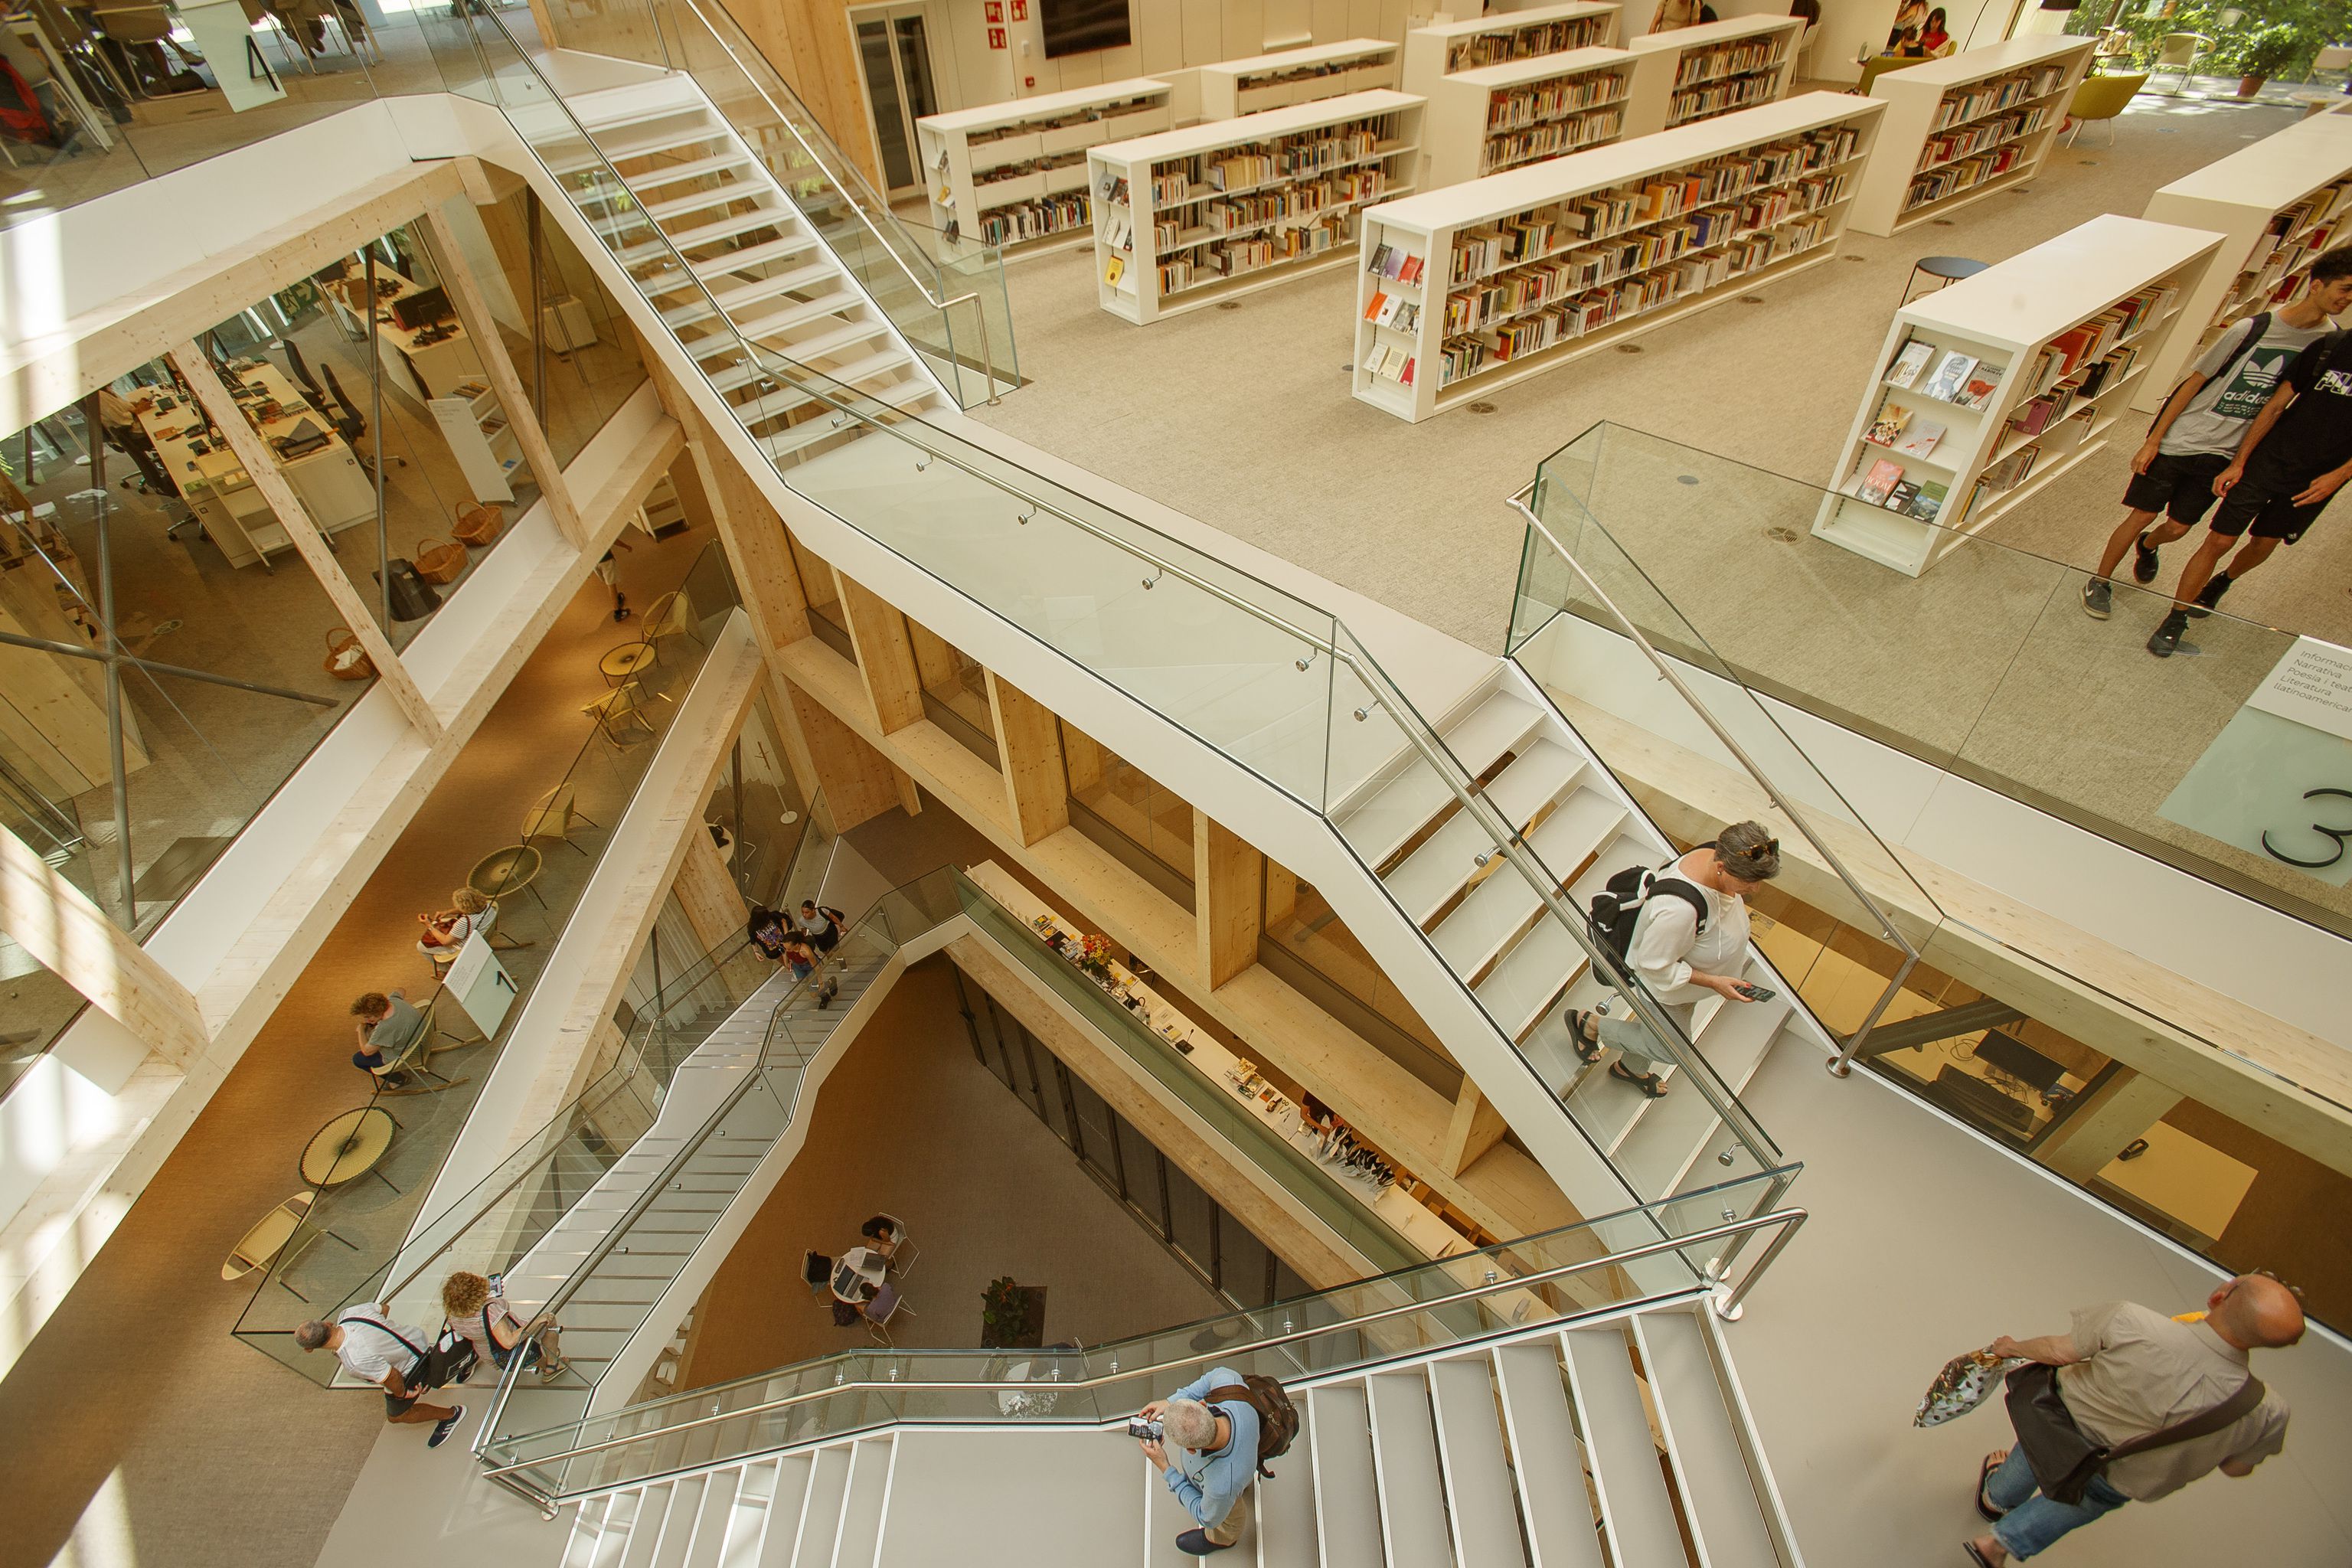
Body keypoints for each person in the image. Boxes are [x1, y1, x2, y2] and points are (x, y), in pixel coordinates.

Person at [2085, 248, 2352, 624]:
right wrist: (2153, 439)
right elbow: (2193, 383)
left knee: (2178, 528)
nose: (2348, 298)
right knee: (2141, 513)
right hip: (2184, 438)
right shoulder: (2252, 328)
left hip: (2228, 453)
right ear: (2317, 284)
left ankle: (2148, 547)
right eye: (2345, 288)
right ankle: (2099, 580)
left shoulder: (2330, 342)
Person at [1963, 1273, 2302, 1565]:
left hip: (2061, 1425)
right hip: (2123, 1474)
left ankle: (1997, 1497)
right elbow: (2236, 1468)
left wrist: (2013, 1347)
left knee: (2034, 1454)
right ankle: (1999, 1545)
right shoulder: (2266, 1411)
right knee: (2084, 1502)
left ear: (2219, 1295)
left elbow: (2059, 1351)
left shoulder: (2132, 1321)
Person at [2149, 319, 2352, 657]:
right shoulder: (2330, 346)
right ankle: (2175, 618)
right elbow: (2274, 407)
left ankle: (2223, 581)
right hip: (2269, 460)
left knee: (2263, 544)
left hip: (2318, 479)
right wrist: (2240, 461)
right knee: (2220, 539)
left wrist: (2340, 476)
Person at [1563, 822, 1782, 1098]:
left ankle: (1631, 1069)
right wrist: (1713, 982)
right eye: (1749, 882)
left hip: (1690, 981)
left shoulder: (1717, 852)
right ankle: (1590, 1025)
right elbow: (1654, 965)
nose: (1755, 889)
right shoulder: (1679, 912)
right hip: (1666, 988)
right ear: (1722, 867)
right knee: (1671, 1048)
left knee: (1660, 1028)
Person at [295, 1305, 466, 1448]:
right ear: (327, 1323)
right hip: (417, 1339)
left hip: (414, 1365)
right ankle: (461, 1364)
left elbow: (391, 1376)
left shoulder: (354, 1362)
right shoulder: (349, 1314)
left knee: (396, 1416)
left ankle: (451, 1415)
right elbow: (384, 1308)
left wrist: (403, 1393)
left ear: (309, 1350)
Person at [1139, 1368, 1261, 1556]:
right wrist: (1169, 1402)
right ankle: (1244, 1485)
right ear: (1203, 1405)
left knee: (1227, 1519)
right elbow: (1212, 1376)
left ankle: (1222, 1540)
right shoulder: (1229, 1384)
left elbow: (1206, 1517)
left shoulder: (1221, 1487)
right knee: (1237, 1482)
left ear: (1191, 1450)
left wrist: (1166, 1468)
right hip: (1246, 1456)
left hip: (1230, 1484)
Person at [441, 1270, 569, 1383]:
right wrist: (538, 1321)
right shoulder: (490, 1311)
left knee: (530, 1355)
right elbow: (509, 1341)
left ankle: (543, 1365)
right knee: (549, 1320)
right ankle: (553, 1363)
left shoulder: (452, 1316)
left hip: (488, 1352)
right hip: (510, 1345)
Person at [351, 988, 423, 1086]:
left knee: (358, 1059)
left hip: (408, 1054)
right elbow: (401, 990)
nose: (366, 1020)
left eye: (368, 1017)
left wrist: (360, 1031)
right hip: (421, 1038)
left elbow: (367, 1051)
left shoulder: (385, 1026)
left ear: (378, 1012)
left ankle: (399, 1080)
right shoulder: (393, 1000)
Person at [416, 887, 492, 971]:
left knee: (420, 946)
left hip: (463, 947)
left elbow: (446, 942)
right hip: (482, 934)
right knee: (441, 922)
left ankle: (445, 970)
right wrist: (447, 912)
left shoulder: (464, 922)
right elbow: (469, 908)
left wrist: (429, 925)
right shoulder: (488, 906)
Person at [797, 899, 847, 969]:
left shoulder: (822, 911)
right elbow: (803, 930)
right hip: (817, 936)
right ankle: (830, 958)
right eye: (803, 912)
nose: (804, 915)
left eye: (807, 912)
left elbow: (833, 917)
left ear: (813, 910)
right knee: (824, 950)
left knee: (836, 949)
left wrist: (841, 926)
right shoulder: (801, 921)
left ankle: (842, 963)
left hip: (830, 932)